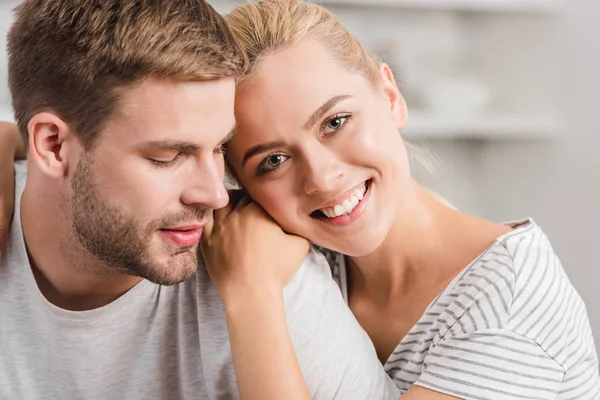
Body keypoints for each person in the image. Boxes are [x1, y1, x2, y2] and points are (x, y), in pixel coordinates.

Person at [198, 1, 600, 399]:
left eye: (335, 122)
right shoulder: (309, 261)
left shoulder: (510, 305)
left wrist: (252, 295)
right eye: (273, 161)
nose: (321, 177)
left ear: (391, 97)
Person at [0, 1, 400, 399]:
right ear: (53, 146)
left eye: (219, 149)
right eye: (168, 157)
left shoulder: (264, 268)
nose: (213, 195)